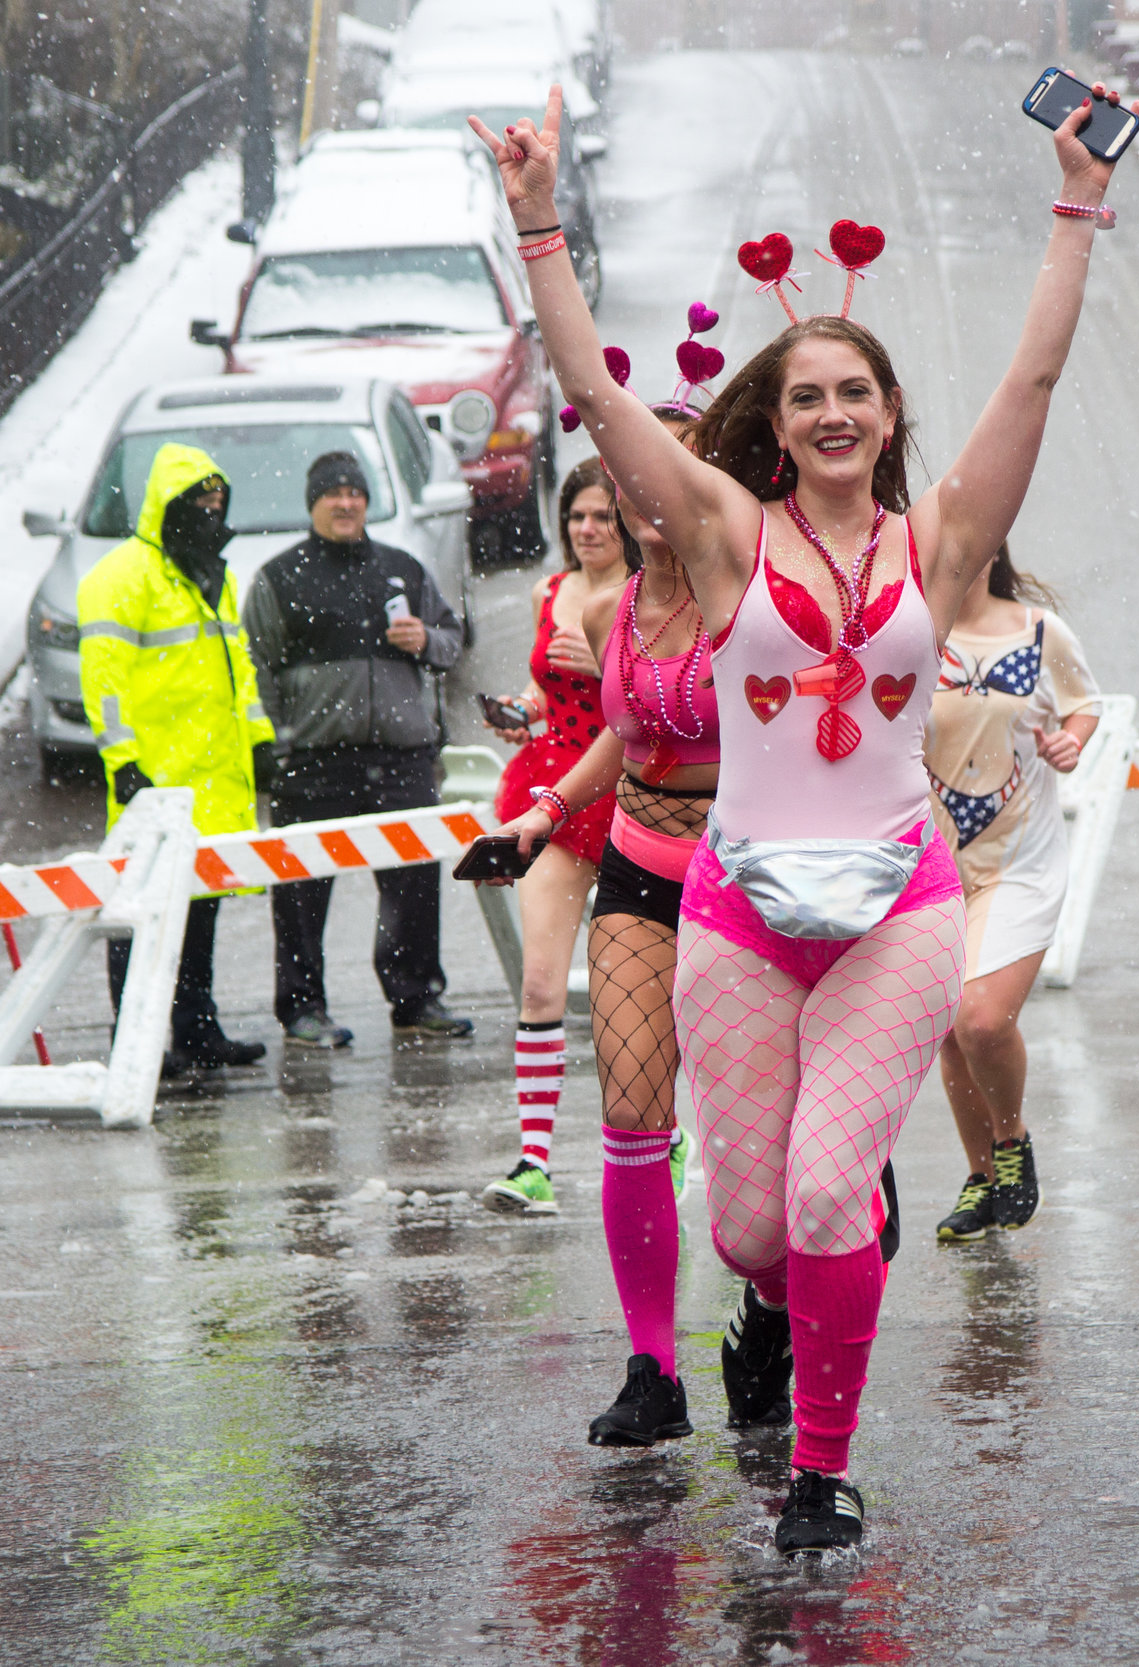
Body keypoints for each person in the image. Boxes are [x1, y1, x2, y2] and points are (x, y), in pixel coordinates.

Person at [474, 78, 1131, 1554]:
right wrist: (535, 228)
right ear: (775, 423)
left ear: (890, 415)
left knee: (834, 1197)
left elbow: (1029, 385)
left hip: (900, 904)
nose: (835, 411)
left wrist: (1079, 207)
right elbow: (594, 396)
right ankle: (770, 1304)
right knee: (751, 1228)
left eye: (859, 391)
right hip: (738, 912)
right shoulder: (718, 531)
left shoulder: (941, 541)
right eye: (809, 394)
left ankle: (822, 1471)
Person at [499, 401, 712, 1447]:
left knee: (761, 1168)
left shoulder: (759, 598)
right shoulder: (613, 607)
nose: (648, 498)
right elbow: (624, 736)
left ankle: (772, 1313)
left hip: (747, 877)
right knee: (632, 1112)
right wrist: (543, 811)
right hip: (638, 862)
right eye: (632, 481)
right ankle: (653, 1366)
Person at [242, 450, 474, 1049]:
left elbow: (453, 640)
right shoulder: (279, 577)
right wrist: (274, 745)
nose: (346, 503)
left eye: (356, 493)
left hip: (402, 757)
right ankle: (301, 1009)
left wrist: (426, 639)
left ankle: (417, 997)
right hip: (313, 763)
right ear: (313, 503)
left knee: (414, 886)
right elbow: (255, 669)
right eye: (333, 494)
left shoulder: (402, 569)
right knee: (300, 891)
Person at [77, 442, 272, 1074]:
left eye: (220, 503)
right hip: (155, 781)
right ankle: (135, 1042)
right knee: (141, 915)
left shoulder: (214, 574)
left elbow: (237, 667)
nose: (213, 515)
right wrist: (123, 760)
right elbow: (103, 681)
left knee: (200, 912)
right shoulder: (121, 577)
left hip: (210, 779)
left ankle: (195, 1031)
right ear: (172, 505)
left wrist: (259, 736)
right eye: (202, 504)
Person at [925, 546, 1101, 1241]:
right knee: (946, 1026)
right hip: (934, 864)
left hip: (1020, 860)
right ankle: (979, 1179)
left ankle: (1011, 1139)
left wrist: (1071, 741)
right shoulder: (912, 636)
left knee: (981, 1018)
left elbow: (1082, 705)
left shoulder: (1038, 630)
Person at [479, 455, 627, 1215]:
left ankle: (660, 1136)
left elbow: (666, 698)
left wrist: (604, 661)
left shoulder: (651, 593)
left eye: (603, 515)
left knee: (629, 995)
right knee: (542, 981)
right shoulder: (551, 590)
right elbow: (549, 694)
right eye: (577, 517)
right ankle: (534, 1160)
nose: (589, 529)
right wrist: (522, 710)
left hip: (638, 797)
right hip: (557, 797)